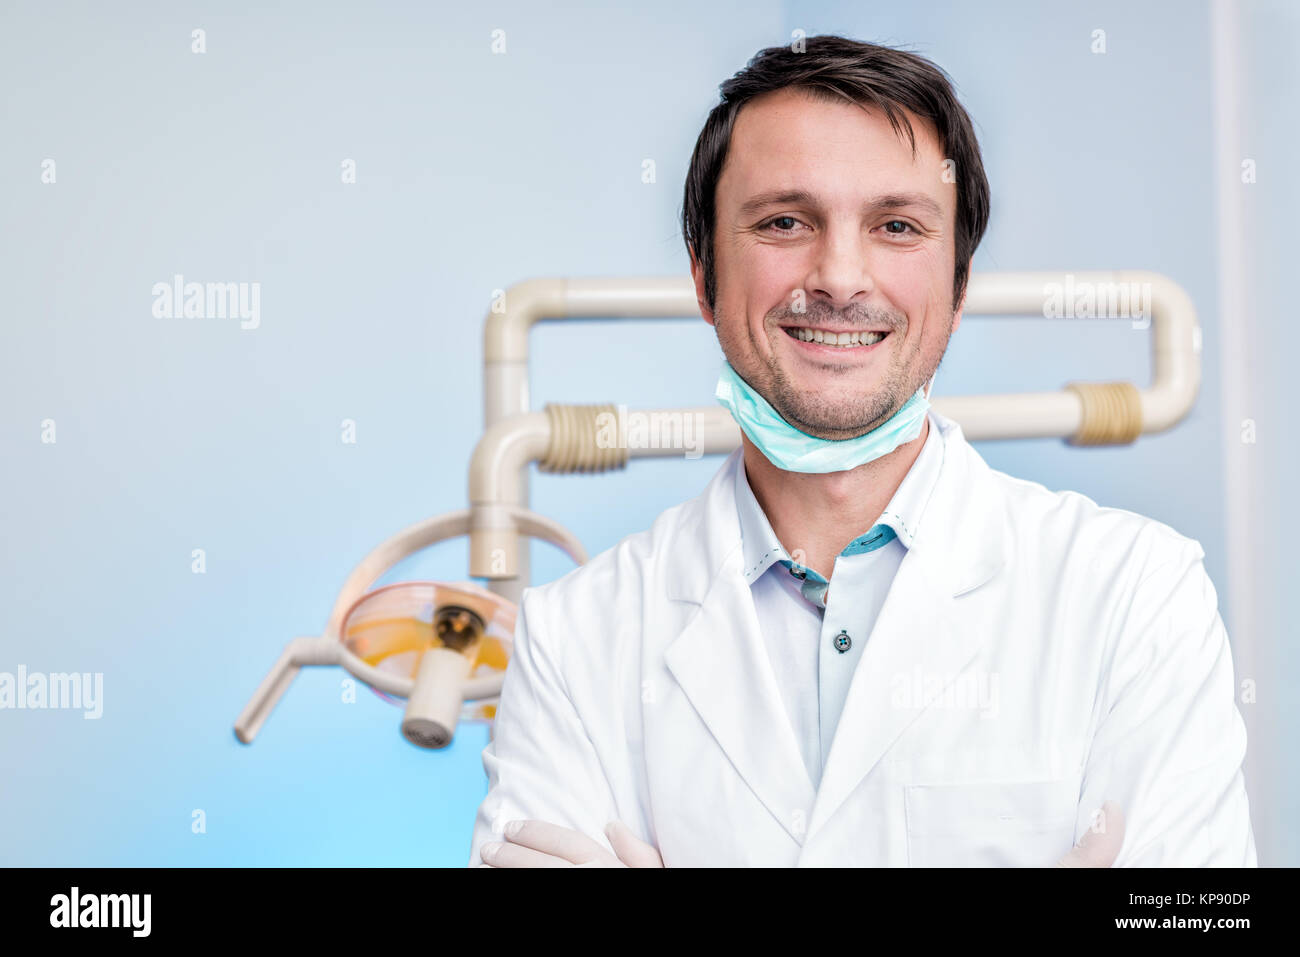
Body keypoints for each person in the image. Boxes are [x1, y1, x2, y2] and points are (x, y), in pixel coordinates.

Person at [468, 35, 1256, 867]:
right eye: (783, 221)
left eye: (897, 225)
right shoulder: (574, 642)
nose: (840, 277)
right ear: (703, 276)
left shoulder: (1136, 597)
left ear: (958, 285)